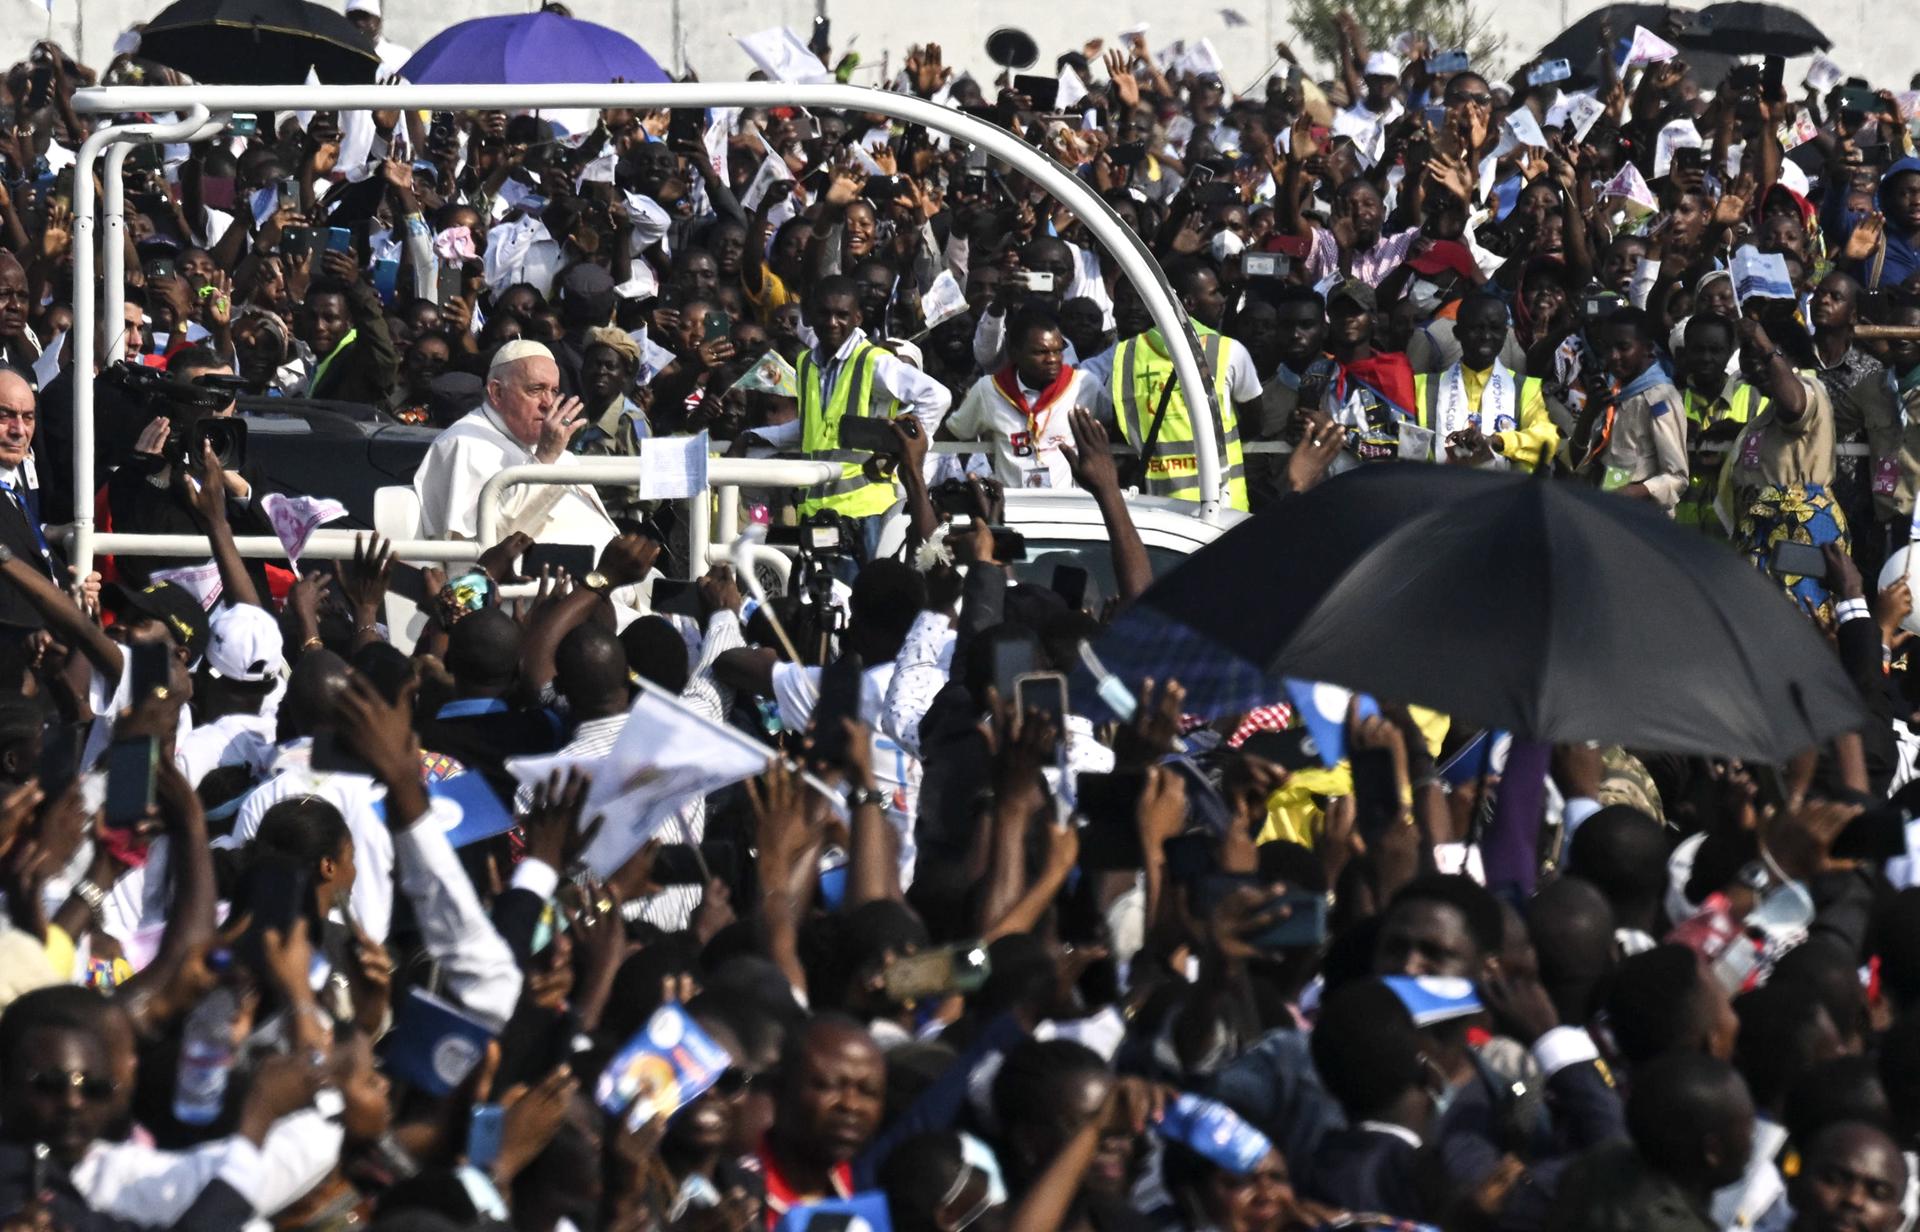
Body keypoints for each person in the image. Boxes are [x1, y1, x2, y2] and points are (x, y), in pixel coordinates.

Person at [412, 339, 618, 548]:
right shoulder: (462, 443)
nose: (548, 403)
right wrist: (545, 458)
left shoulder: (548, 442)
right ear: (497, 393)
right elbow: (488, 546)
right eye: (536, 390)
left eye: (554, 391)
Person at [1105, 261, 1259, 510]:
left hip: (1158, 508)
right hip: (1224, 506)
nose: (1222, 300)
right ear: (1188, 303)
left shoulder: (1126, 355)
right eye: (1214, 293)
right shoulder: (1229, 351)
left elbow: (1118, 426)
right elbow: (1254, 422)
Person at [941, 305, 1093, 490]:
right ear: (1014, 353)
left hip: (1065, 501)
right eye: (1041, 352)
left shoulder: (1082, 384)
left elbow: (1112, 425)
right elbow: (955, 431)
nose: (1052, 359)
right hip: (1011, 502)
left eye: (1057, 351)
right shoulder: (989, 390)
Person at [1412, 294, 1560, 470]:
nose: (1486, 336)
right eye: (1477, 328)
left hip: (1503, 486)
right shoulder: (1422, 386)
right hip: (1440, 484)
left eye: (1495, 328)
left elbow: (1547, 438)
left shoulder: (1526, 387)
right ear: (1457, 333)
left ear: (1505, 334)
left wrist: (1497, 441)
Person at [1584, 307, 1688, 512]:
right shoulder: (1613, 391)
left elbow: (1677, 477)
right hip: (1605, 508)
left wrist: (1634, 491)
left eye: (1623, 347)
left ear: (1647, 348)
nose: (1613, 356)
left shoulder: (1660, 398)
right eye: (1607, 347)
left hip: (1641, 516)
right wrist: (1588, 415)